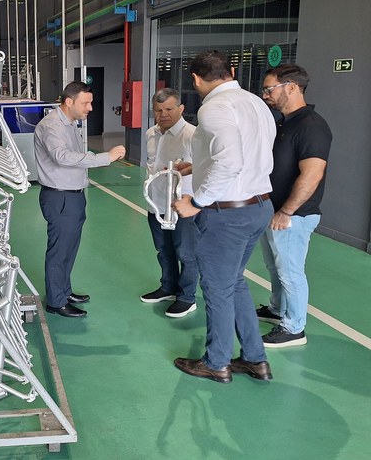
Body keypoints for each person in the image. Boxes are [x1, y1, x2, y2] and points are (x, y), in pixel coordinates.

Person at [172, 51, 276, 383]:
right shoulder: (255, 103)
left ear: (196, 79)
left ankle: (216, 362)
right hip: (259, 205)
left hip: (228, 214)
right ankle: (255, 358)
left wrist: (197, 201)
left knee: (217, 288)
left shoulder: (214, 108)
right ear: (231, 71)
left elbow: (230, 161)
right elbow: (246, 152)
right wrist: (198, 166)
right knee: (234, 281)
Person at [34, 81, 126, 318]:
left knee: (69, 248)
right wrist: (105, 157)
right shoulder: (52, 125)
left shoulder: (70, 124)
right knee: (59, 251)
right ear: (69, 102)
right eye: (86, 103)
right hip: (60, 197)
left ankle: (64, 291)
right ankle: (56, 301)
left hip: (72, 195)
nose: (90, 108)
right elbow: (62, 157)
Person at [256, 64, 332, 348]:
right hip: (273, 211)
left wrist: (286, 211)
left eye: (269, 88)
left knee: (290, 271)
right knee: (274, 266)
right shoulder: (284, 121)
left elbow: (312, 174)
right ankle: (277, 310)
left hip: (293, 215)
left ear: (291, 87)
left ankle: (294, 328)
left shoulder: (312, 126)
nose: (265, 95)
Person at [140, 88, 199, 318]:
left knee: (186, 252)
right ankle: (168, 287)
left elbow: (203, 169)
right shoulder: (150, 133)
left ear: (181, 109)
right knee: (163, 249)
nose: (163, 114)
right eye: (158, 110)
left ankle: (187, 297)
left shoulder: (193, 135)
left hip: (183, 205)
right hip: (156, 203)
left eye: (169, 109)